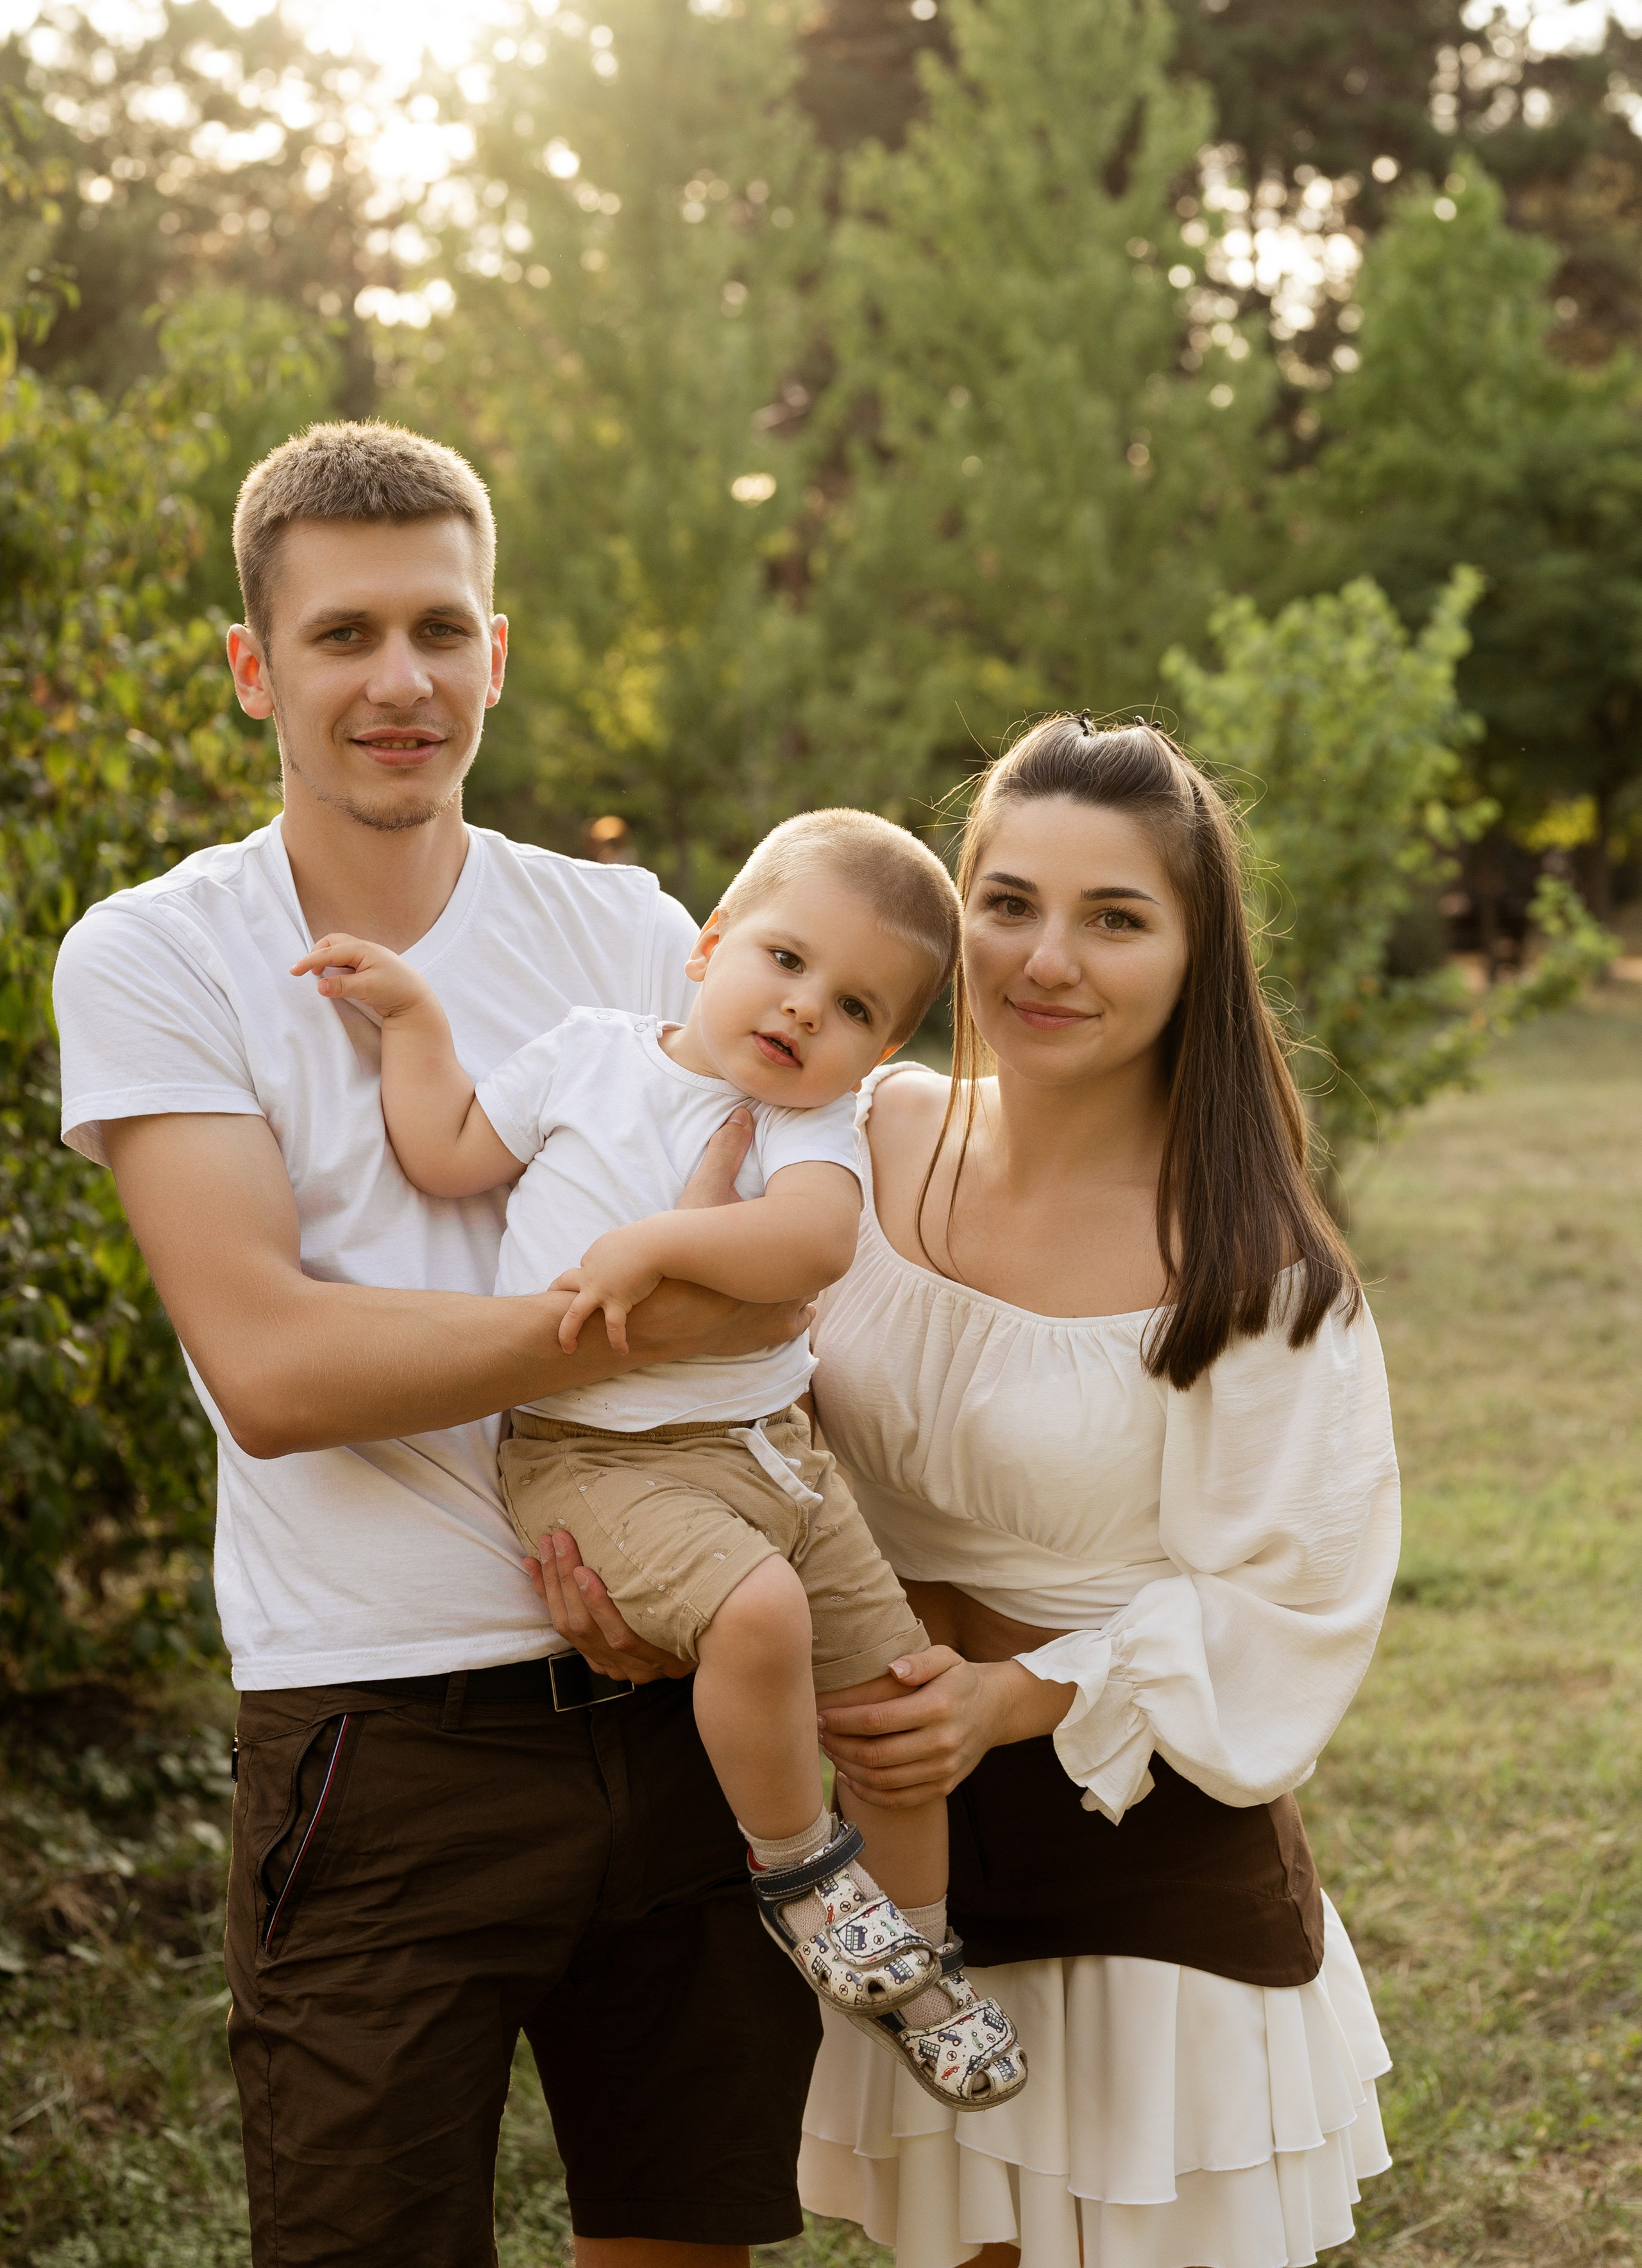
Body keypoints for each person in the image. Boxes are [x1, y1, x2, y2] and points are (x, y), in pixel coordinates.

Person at [52, 419, 828, 2268]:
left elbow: (795, 1276)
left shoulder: (632, 931)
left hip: (678, 1702)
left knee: (684, 2243)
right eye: (342, 635)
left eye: (436, 629)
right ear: (255, 668)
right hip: (379, 1737)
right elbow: (274, 1372)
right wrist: (641, 1320)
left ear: (498, 651)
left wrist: (681, 1382)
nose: (397, 680)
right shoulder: (159, 954)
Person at [287, 808, 1027, 2108]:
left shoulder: (805, 1124)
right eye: (785, 960)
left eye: (854, 1006)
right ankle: (799, 1876)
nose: (804, 1008)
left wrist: (658, 1244)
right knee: (761, 1614)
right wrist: (413, 1023)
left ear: (879, 1053)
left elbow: (810, 1244)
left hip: (774, 1452)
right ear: (709, 944)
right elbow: (446, 1150)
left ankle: (913, 1959)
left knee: (894, 1704)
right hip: (598, 1457)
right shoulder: (588, 1055)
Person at [783, 715, 1401, 2268]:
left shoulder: (1249, 1265)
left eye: (1113, 918)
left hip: (1130, 1851)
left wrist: (1006, 1698)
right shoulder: (859, 1134)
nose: (1044, 959)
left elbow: (1286, 1604)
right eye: (1007, 902)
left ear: (1196, 955)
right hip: (888, 1840)